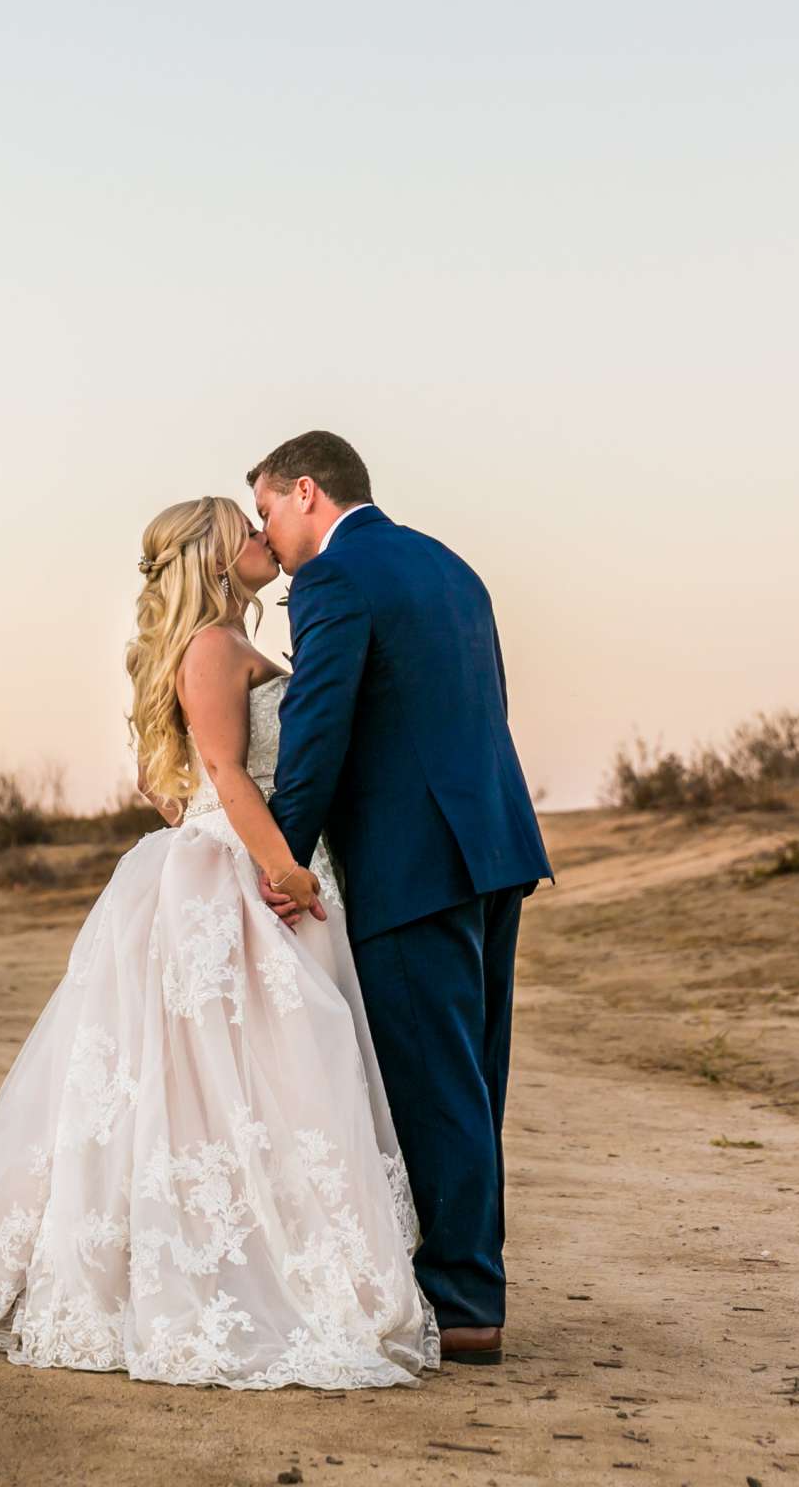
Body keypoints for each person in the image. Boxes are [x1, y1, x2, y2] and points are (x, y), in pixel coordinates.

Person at [0, 494, 439, 1390]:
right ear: (213, 559)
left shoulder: (223, 647)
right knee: (245, 1075)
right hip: (241, 881)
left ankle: (275, 1254)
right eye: (243, 531)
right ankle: (238, 1274)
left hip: (233, 859)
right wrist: (284, 870)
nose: (260, 536)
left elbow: (161, 783)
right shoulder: (212, 648)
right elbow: (218, 773)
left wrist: (219, 825)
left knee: (250, 1082)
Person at [250, 430, 550, 1365]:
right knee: (474, 1076)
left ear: (307, 492)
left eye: (267, 512)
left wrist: (281, 859)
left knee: (433, 1078)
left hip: (413, 862)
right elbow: (482, 704)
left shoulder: (335, 581)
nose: (269, 534)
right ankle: (469, 1283)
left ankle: (464, 1306)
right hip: (495, 844)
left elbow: (318, 728)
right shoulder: (450, 566)